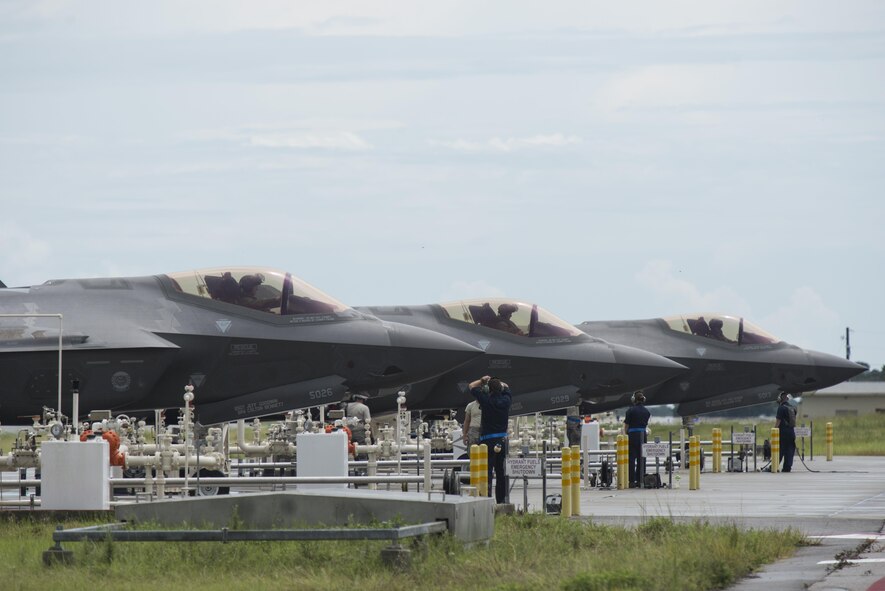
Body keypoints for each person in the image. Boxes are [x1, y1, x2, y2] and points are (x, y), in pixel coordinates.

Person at [469, 375, 512, 503]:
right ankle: (501, 502)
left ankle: (485, 500)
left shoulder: (485, 400)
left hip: (487, 442)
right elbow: (507, 387)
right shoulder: (506, 400)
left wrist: (482, 381)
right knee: (501, 473)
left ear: (489, 390)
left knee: (486, 472)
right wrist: (499, 383)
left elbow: (471, 386)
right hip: (502, 441)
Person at [623, 390, 650, 488]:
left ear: (633, 399)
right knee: (641, 459)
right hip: (643, 435)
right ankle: (640, 480)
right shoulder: (647, 411)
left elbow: (626, 426)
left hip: (632, 435)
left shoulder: (630, 410)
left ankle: (631, 481)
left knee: (631, 459)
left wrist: (626, 433)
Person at [775, 392, 797, 472]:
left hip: (783, 433)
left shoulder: (781, 408)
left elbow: (778, 422)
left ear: (780, 399)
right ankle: (787, 468)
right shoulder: (793, 408)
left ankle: (774, 466)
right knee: (790, 450)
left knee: (780, 450)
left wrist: (774, 432)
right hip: (791, 432)